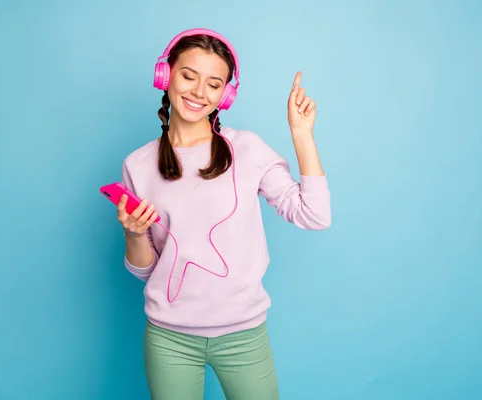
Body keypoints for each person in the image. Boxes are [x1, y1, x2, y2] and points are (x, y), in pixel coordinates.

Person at [115, 28, 331, 399]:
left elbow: (314, 215)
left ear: (225, 94)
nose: (199, 92)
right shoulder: (137, 165)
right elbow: (146, 271)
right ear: (165, 76)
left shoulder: (247, 149)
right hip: (170, 339)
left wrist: (302, 135)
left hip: (244, 336)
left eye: (214, 84)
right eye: (188, 76)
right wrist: (134, 234)